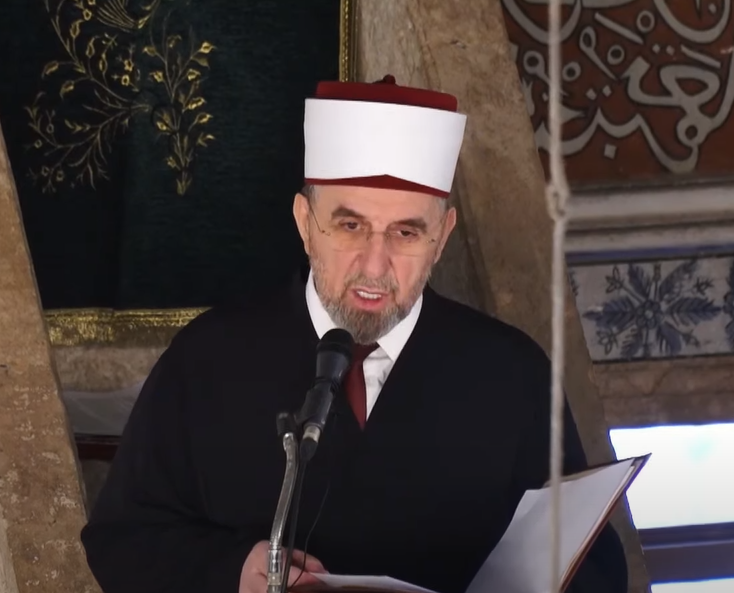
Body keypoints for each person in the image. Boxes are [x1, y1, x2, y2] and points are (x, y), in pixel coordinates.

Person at [80, 75, 629, 593]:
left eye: (406, 232)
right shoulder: (208, 360)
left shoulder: (511, 375)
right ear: (305, 223)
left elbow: (593, 568)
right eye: (350, 226)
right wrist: (233, 572)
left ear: (441, 238)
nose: (374, 265)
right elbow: (122, 541)